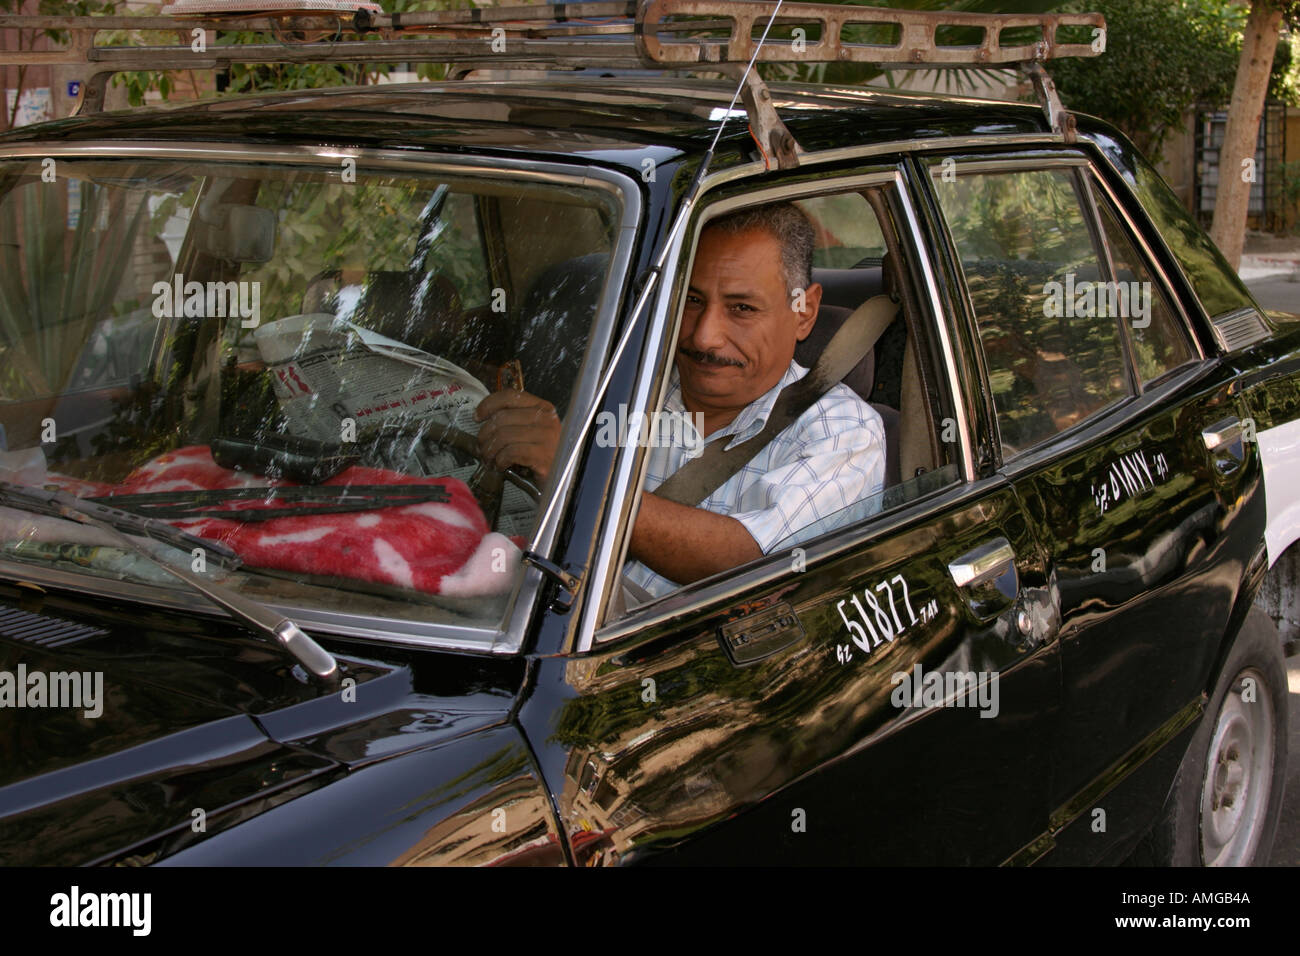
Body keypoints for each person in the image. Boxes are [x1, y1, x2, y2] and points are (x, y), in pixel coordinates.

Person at [475, 201, 886, 599]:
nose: (704, 336)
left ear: (804, 311)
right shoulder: (623, 388)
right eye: (692, 300)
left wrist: (573, 475)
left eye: (741, 308)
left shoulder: (844, 432)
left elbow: (750, 561)